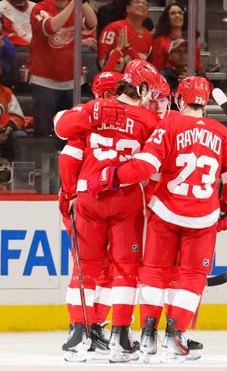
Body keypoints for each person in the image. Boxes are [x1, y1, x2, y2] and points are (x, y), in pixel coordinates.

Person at [86, 75, 227, 362]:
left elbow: (147, 166)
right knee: (192, 276)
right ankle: (175, 336)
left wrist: (110, 177)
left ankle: (148, 336)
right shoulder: (221, 132)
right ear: (206, 102)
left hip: (165, 212)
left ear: (179, 99)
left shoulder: (168, 124)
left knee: (154, 271)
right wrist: (224, 208)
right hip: (202, 218)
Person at [54, 60, 165, 363]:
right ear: (140, 88)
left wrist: (70, 192)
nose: (152, 98)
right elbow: (156, 168)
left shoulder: (95, 110)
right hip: (127, 199)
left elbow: (62, 132)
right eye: (150, 91)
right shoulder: (148, 120)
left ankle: (77, 335)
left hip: (88, 196)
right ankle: (120, 337)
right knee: (125, 270)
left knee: (84, 268)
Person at [55, 69, 124, 360]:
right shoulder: (85, 120)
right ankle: (79, 326)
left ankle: (95, 325)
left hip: (101, 200)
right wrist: (71, 196)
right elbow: (67, 151)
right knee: (89, 267)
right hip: (84, 201)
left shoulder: (121, 119)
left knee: (105, 268)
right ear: (108, 94)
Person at [28, 0, 97, 135]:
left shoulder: (76, 7)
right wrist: (73, 3)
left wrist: (82, 0)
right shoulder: (40, 8)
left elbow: (92, 22)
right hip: (44, 81)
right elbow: (50, 28)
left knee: (71, 132)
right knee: (43, 132)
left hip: (72, 81)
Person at [98, 0, 153, 72]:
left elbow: (147, 67)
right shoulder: (113, 28)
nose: (141, 5)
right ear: (127, 9)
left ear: (148, 13)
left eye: (144, 4)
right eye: (137, 2)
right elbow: (102, 60)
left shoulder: (149, 36)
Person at [150, 2, 203, 74]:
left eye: (180, 13)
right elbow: (157, 68)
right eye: (173, 13)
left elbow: (198, 66)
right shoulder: (159, 40)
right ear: (167, 18)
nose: (177, 15)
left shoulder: (192, 40)